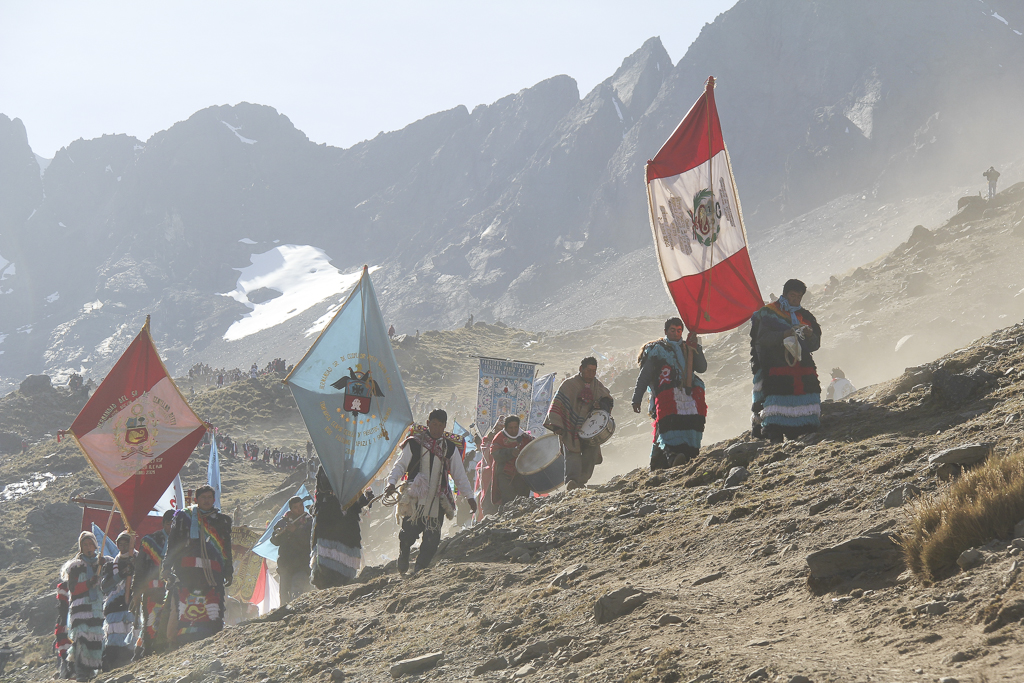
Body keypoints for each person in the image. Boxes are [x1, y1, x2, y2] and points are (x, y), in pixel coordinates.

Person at [384, 409, 477, 575]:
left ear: (444, 427)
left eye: (440, 426)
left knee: (432, 538)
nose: (437, 429)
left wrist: (470, 496)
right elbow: (400, 466)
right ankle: (403, 555)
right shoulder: (413, 443)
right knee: (408, 534)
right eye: (434, 424)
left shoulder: (449, 447)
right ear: (428, 423)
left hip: (438, 499)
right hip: (414, 497)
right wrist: (391, 482)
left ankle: (420, 568)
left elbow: (459, 474)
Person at [750, 279, 822, 443]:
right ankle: (775, 434)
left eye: (799, 296)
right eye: (792, 295)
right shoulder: (768, 314)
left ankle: (804, 428)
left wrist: (810, 335)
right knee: (777, 402)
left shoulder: (805, 316)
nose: (795, 299)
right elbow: (762, 339)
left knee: (805, 398)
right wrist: (784, 335)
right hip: (776, 366)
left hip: (802, 367)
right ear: (785, 294)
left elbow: (815, 345)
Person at [632, 317, 708, 470]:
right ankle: (672, 456)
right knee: (667, 427)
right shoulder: (656, 349)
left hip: (687, 397)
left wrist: (697, 348)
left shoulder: (688, 347)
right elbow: (645, 375)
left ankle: (668, 462)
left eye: (679, 330)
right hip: (665, 397)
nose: (676, 333)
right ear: (665, 331)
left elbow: (702, 368)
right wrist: (637, 398)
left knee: (687, 424)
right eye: (672, 330)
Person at [161, 485, 233, 648]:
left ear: (214, 500)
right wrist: (167, 566)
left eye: (209, 497)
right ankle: (182, 641)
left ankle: (212, 638)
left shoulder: (222, 521)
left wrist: (229, 571)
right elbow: (173, 544)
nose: (207, 500)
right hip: (187, 572)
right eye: (203, 498)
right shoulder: (183, 518)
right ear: (196, 500)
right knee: (187, 604)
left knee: (212, 604)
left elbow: (226, 549)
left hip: (213, 573)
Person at [544, 357, 613, 490]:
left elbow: (608, 399)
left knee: (590, 456)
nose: (591, 374)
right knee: (572, 458)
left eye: (594, 371)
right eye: (588, 370)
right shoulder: (568, 385)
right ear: (581, 369)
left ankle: (581, 482)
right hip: (570, 427)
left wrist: (601, 405)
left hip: (590, 429)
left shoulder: (597, 385)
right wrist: (557, 425)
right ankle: (572, 483)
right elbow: (557, 404)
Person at [310, 468, 373, 589]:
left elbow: (359, 500)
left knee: (341, 555)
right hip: (329, 519)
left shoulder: (351, 470)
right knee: (327, 555)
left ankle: (339, 581)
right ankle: (328, 581)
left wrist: (367, 498)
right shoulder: (326, 469)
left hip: (344, 522)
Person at [61, 531, 106, 681]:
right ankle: (81, 672)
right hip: (80, 609)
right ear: (81, 548)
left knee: (94, 640)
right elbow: (73, 589)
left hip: (96, 608)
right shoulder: (75, 566)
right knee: (81, 639)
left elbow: (106, 586)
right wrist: (89, 583)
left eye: (90, 544)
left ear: (95, 545)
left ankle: (91, 672)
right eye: (85, 544)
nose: (88, 547)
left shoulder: (101, 564)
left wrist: (102, 569)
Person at [132, 510, 174, 660]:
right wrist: (136, 591)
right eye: (170, 523)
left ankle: (167, 650)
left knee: (172, 620)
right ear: (164, 524)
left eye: (176, 524)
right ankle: (149, 652)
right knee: (151, 623)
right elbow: (140, 569)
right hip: (153, 591)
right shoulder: (150, 541)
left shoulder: (183, 541)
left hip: (175, 590)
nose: (172, 527)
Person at [100, 532, 136, 671]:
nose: (123, 546)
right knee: (114, 643)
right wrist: (122, 574)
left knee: (132, 640)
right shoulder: (111, 565)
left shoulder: (139, 559)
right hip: (114, 609)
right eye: (120, 544)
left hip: (133, 606)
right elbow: (105, 587)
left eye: (126, 543)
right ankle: (112, 667)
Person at [483, 415, 534, 509]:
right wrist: (510, 452)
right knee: (508, 498)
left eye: (516, 427)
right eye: (510, 428)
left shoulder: (525, 437)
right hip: (504, 474)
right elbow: (495, 454)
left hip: (521, 474)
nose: (513, 430)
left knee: (522, 497)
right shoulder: (499, 438)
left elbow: (533, 448)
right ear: (505, 427)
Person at [270, 496, 313, 600]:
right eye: (296, 507)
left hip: (302, 564)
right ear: (291, 509)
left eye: (301, 506)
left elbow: (309, 542)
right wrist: (280, 533)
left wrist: (296, 531)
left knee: (297, 592)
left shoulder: (309, 521)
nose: (300, 509)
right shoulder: (283, 522)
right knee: (284, 594)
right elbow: (274, 541)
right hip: (285, 565)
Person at [54, 579, 73, 679]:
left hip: (64, 624)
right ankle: (68, 672)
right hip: (68, 623)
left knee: (65, 649)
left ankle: (66, 673)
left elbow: (63, 609)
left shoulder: (65, 588)